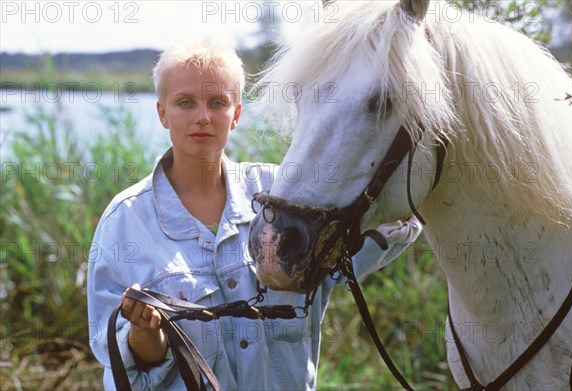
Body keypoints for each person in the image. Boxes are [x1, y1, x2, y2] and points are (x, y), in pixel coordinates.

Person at [87, 38, 422, 390]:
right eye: (185, 102)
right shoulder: (124, 224)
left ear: (236, 115)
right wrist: (144, 331)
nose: (202, 117)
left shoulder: (285, 196)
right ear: (162, 113)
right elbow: (125, 360)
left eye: (217, 102)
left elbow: (358, 248)